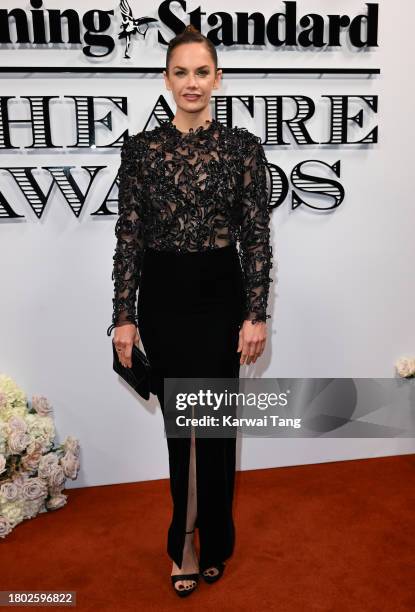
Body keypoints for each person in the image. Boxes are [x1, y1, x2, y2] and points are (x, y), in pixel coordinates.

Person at [106, 24, 273, 597]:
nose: (192, 83)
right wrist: (122, 317)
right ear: (166, 79)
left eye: (202, 71)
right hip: (164, 300)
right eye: (181, 72)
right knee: (183, 431)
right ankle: (183, 540)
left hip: (222, 298)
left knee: (217, 429)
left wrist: (256, 313)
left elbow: (256, 237)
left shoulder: (242, 149)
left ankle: (217, 540)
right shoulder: (141, 151)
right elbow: (129, 238)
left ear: (218, 78)